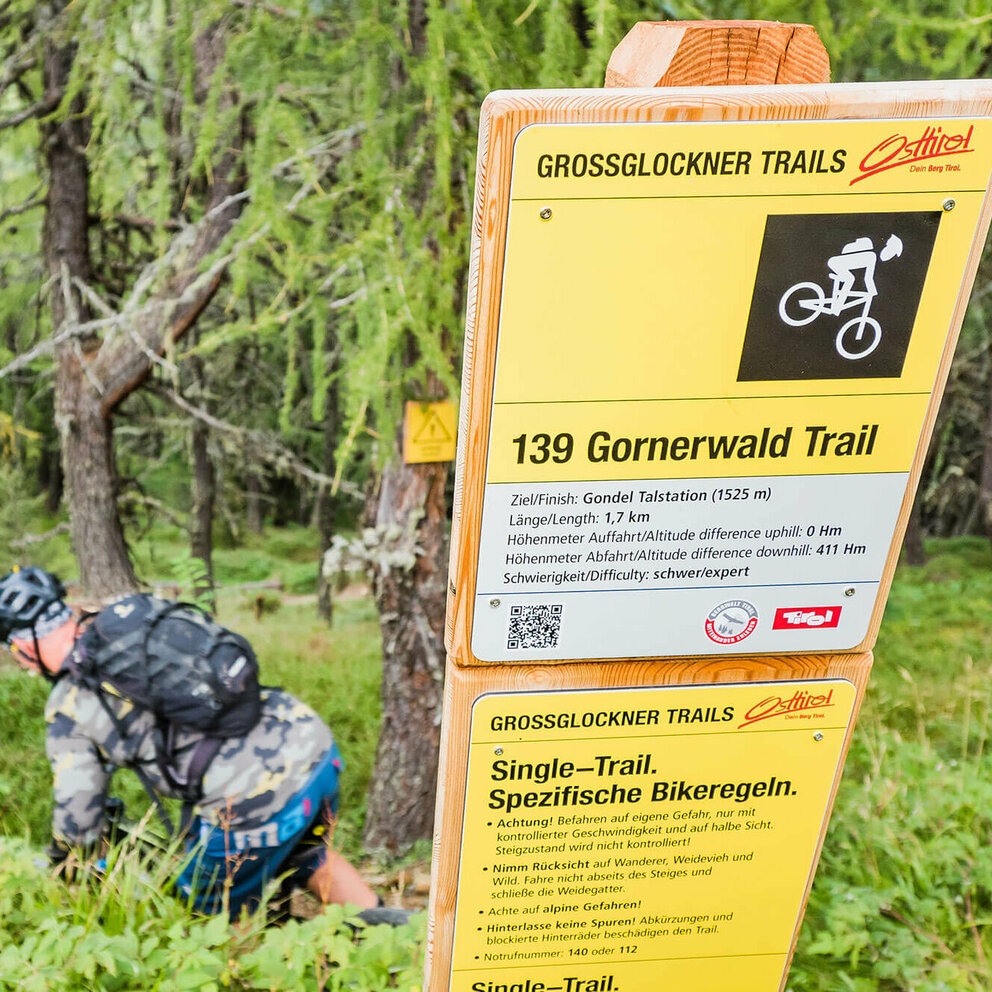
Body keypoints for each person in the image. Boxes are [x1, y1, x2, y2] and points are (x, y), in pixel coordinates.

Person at [0, 566, 406, 924]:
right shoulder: (126, 623)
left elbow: (78, 816)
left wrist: (63, 862)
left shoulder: (70, 702)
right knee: (308, 855)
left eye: (14, 654)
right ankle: (402, 942)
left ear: (22, 646)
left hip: (255, 798)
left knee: (204, 919)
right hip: (312, 744)